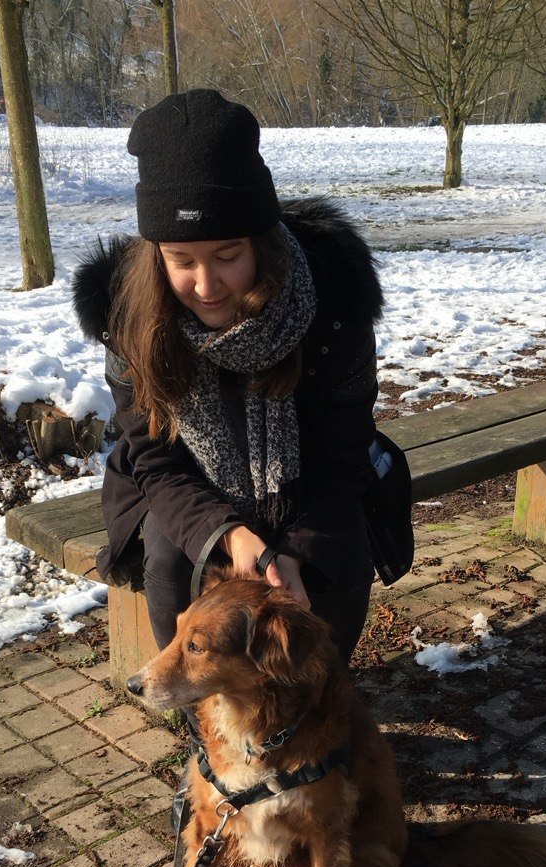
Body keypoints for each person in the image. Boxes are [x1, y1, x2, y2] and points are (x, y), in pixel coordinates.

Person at [72, 88, 386, 663]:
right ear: (156, 255)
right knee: (171, 559)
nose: (207, 286)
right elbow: (156, 462)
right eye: (182, 261)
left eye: (227, 254)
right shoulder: (128, 322)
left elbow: (343, 456)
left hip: (310, 479)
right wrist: (229, 534)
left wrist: (296, 548)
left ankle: (318, 707)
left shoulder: (333, 305)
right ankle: (207, 722)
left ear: (260, 242)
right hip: (184, 483)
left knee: (337, 560)